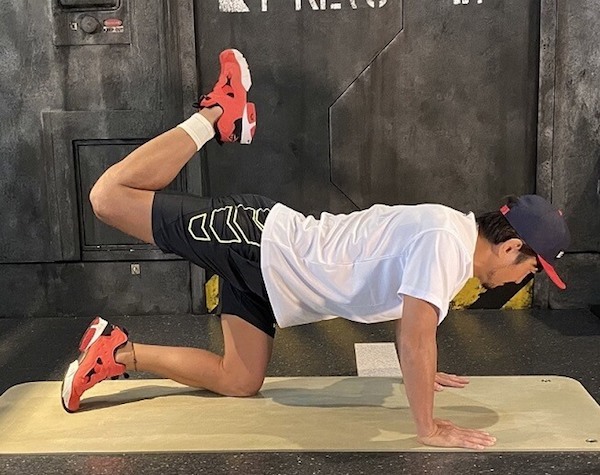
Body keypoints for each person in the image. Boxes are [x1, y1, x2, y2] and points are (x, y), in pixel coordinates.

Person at [61, 49, 571, 450]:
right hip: (257, 242)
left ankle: (116, 352)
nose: (522, 281)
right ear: (513, 248)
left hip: (271, 284)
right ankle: (216, 113)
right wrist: (429, 427)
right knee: (108, 198)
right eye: (532, 271)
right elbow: (415, 340)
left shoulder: (450, 238)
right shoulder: (447, 243)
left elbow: (411, 335)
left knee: (240, 380)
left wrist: (419, 367)